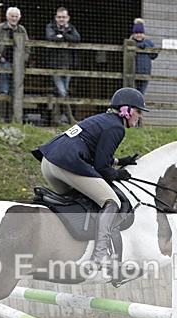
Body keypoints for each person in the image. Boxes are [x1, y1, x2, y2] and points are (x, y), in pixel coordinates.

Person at [33, 87, 148, 267]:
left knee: (83, 200)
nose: (140, 116)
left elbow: (94, 153)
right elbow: (102, 167)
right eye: (139, 112)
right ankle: (100, 255)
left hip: (49, 163)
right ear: (127, 110)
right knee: (112, 202)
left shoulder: (103, 120)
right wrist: (117, 174)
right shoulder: (116, 128)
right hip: (65, 164)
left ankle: (71, 244)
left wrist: (118, 161)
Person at [0, 6, 27, 121]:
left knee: (16, 90)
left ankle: (13, 118)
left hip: (18, 66)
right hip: (4, 63)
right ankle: (1, 118)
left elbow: (28, 46)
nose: (14, 18)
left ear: (19, 18)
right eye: (12, 16)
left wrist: (23, 60)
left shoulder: (21, 29)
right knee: (3, 90)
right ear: (7, 17)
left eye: (16, 16)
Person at [45, 7, 80, 100]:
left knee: (63, 90)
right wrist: (66, 37)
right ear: (56, 18)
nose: (61, 19)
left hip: (68, 64)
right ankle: (67, 114)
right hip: (54, 64)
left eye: (63, 17)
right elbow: (50, 37)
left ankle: (59, 113)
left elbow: (76, 38)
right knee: (62, 91)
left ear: (67, 18)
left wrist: (62, 35)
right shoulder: (50, 26)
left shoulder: (72, 28)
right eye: (59, 17)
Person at [130, 18, 157, 96]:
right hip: (133, 73)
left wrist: (147, 48)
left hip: (145, 73)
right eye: (136, 33)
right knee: (133, 93)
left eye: (140, 33)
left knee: (141, 93)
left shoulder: (148, 43)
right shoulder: (131, 43)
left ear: (144, 34)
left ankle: (139, 108)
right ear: (133, 34)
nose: (138, 35)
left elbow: (154, 55)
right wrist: (139, 46)